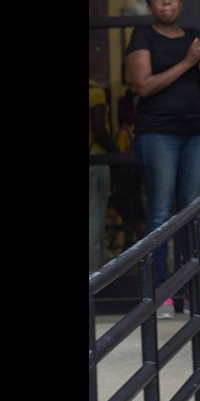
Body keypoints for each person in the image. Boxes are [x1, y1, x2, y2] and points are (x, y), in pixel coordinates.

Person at [125, 0, 200, 318]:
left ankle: (193, 291)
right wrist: (189, 61)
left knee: (194, 214)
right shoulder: (142, 37)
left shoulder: (192, 38)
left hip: (193, 134)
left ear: (182, 3)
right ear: (150, 6)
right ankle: (160, 296)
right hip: (158, 135)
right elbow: (143, 85)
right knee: (160, 215)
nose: (167, 2)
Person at [90, 78, 117, 272]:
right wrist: (115, 152)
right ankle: (95, 280)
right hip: (94, 159)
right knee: (94, 222)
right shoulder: (95, 92)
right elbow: (99, 129)